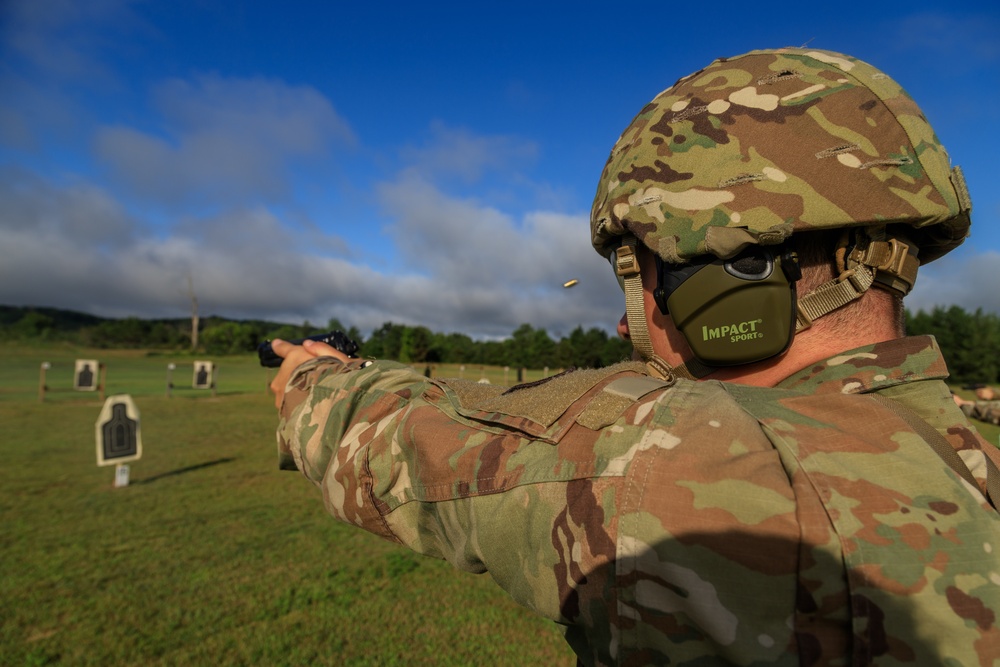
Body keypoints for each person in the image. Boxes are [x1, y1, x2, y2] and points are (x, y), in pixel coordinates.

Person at [269, 48, 1000, 665]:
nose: (629, 327)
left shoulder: (675, 462)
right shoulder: (974, 458)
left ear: (725, 285)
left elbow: (400, 447)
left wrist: (312, 376)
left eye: (642, 275)